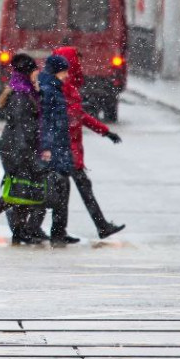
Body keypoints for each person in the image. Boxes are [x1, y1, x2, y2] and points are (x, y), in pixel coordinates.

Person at [0, 53, 48, 244]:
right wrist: (24, 154)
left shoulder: (26, 91)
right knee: (19, 188)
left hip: (21, 146)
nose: (37, 75)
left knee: (23, 189)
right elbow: (20, 126)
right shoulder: (20, 95)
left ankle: (17, 229)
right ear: (27, 73)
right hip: (16, 147)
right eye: (34, 72)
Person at [53, 46, 125, 240]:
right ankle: (98, 226)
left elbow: (79, 115)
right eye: (76, 61)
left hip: (69, 148)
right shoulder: (62, 86)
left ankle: (60, 231)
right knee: (76, 188)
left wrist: (105, 132)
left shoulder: (68, 84)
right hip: (65, 148)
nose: (79, 65)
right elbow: (69, 116)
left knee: (65, 190)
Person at [38, 55, 76, 245]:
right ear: (56, 71)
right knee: (55, 188)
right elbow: (45, 120)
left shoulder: (52, 87)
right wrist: (46, 146)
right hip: (54, 147)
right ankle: (53, 231)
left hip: (58, 145)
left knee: (59, 187)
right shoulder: (49, 89)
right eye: (64, 71)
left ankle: (57, 230)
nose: (67, 75)